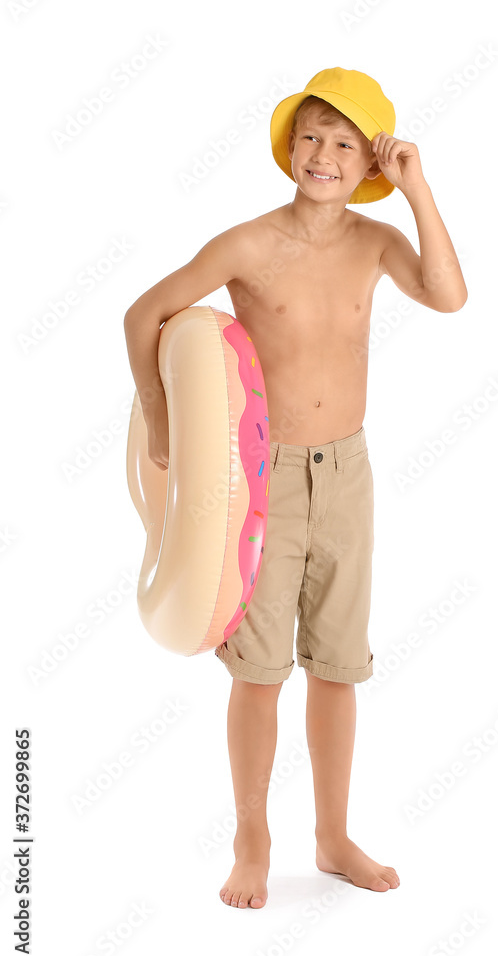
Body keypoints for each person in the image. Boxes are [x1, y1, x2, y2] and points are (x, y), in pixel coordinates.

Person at [123, 67, 468, 910]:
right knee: (260, 671)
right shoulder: (248, 243)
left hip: (347, 473)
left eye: (346, 143)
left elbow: (449, 295)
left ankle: (332, 834)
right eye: (312, 135)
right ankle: (252, 841)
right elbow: (143, 317)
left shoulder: (378, 240)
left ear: (370, 163)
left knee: (340, 666)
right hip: (260, 478)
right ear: (289, 146)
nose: (324, 154)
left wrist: (418, 190)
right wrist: (164, 426)